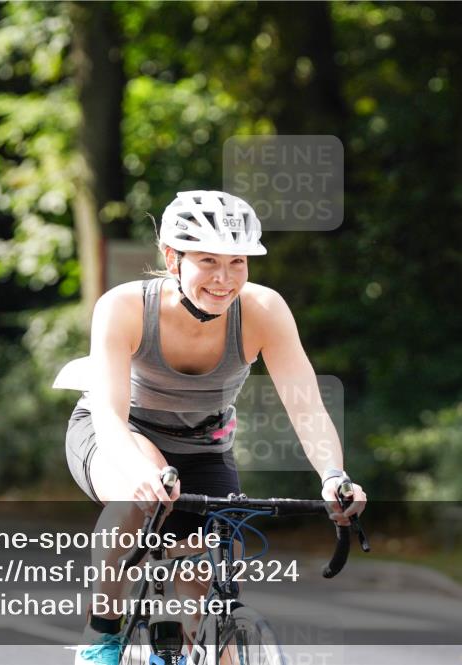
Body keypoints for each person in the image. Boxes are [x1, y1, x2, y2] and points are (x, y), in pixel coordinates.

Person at [65, 190, 366, 664]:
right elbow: (109, 415)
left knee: (207, 568)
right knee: (139, 499)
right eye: (207, 260)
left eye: (237, 263)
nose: (224, 280)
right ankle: (101, 630)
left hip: (204, 444)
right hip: (121, 434)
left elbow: (305, 406)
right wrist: (138, 474)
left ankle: (180, 646)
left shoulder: (264, 310)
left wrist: (334, 475)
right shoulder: (123, 307)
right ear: (172, 257)